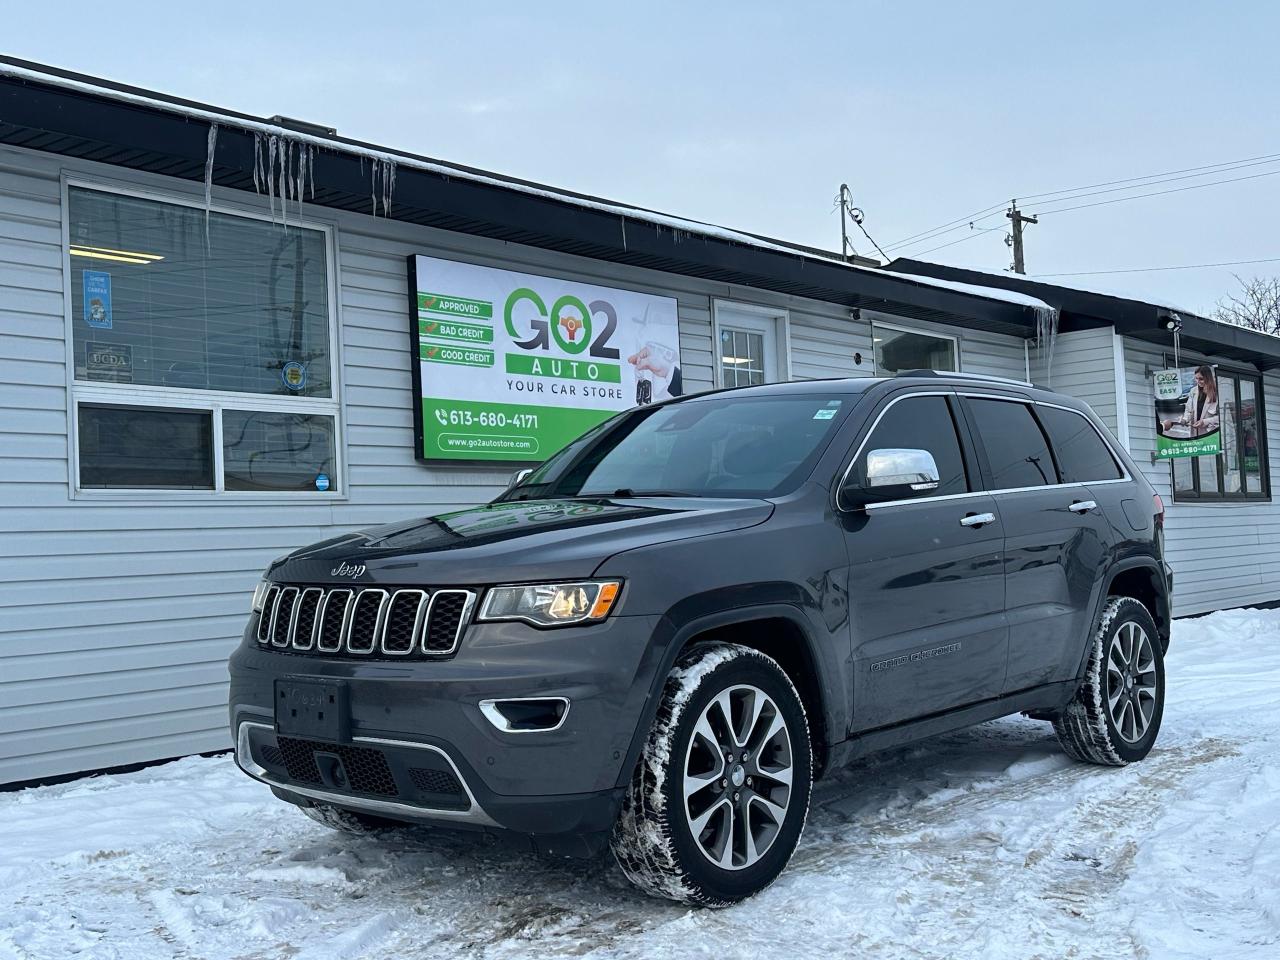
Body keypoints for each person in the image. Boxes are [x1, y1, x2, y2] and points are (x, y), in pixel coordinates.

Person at [1162, 365, 1219, 437]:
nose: (1198, 382)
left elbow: (1221, 417)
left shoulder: (1217, 393)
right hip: (1195, 434)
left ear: (1208, 378)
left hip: (1211, 433)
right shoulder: (1193, 391)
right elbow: (1188, 410)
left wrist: (1205, 422)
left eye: (1201, 379)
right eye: (1196, 378)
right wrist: (1185, 419)